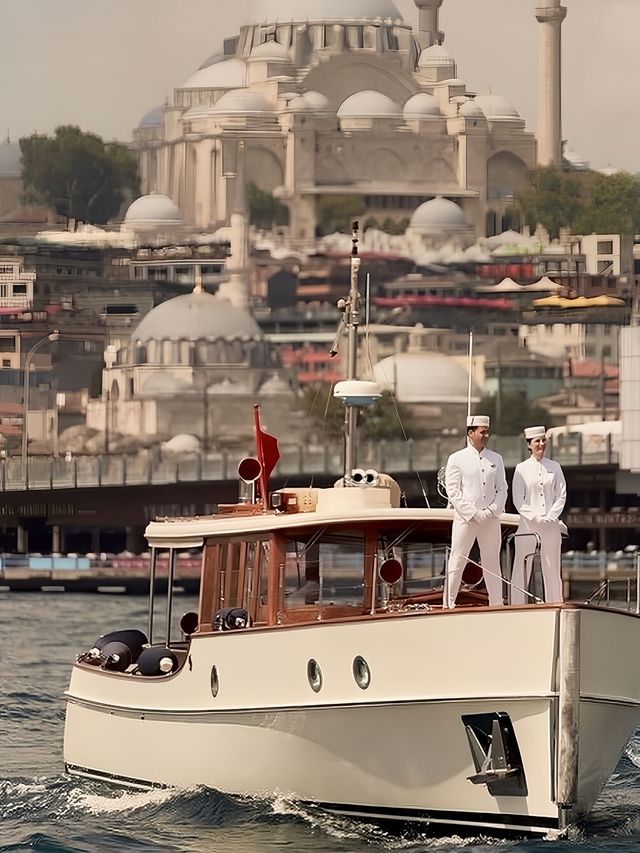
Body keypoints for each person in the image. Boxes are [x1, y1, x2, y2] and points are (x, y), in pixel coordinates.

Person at [444, 415, 508, 608]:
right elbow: (453, 490)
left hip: (490, 519)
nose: (486, 435)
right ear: (471, 433)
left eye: (487, 431)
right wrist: (473, 513)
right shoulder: (456, 459)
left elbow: (502, 488)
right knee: (458, 559)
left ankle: (496, 604)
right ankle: (449, 603)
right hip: (466, 518)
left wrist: (491, 511)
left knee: (492, 562)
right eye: (482, 431)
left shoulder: (496, 458)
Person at [510, 425, 567, 604]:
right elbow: (518, 499)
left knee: (552, 567)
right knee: (521, 565)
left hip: (550, 524)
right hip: (528, 524)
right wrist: (534, 517)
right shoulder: (521, 468)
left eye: (543, 440)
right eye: (537, 441)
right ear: (529, 444)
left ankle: (555, 603)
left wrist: (550, 516)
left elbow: (561, 494)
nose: (541, 444)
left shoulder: (555, 467)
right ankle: (516, 604)